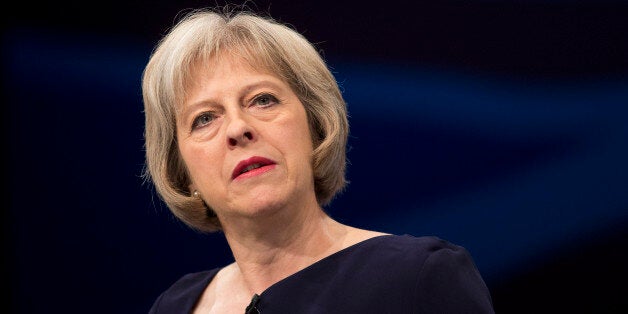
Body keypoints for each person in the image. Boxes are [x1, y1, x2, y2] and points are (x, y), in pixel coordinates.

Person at [141, 6, 495, 314]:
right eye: (204, 118)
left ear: (316, 124)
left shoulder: (418, 278)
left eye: (262, 100)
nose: (237, 128)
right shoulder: (175, 307)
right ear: (182, 171)